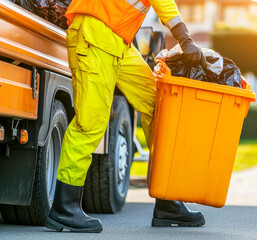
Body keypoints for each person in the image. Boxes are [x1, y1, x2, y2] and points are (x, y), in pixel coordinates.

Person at [44, 0, 207, 233]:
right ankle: (64, 209)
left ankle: (167, 199)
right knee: (89, 124)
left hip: (118, 41)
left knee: (160, 104)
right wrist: (186, 40)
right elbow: (164, 4)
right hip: (95, 37)